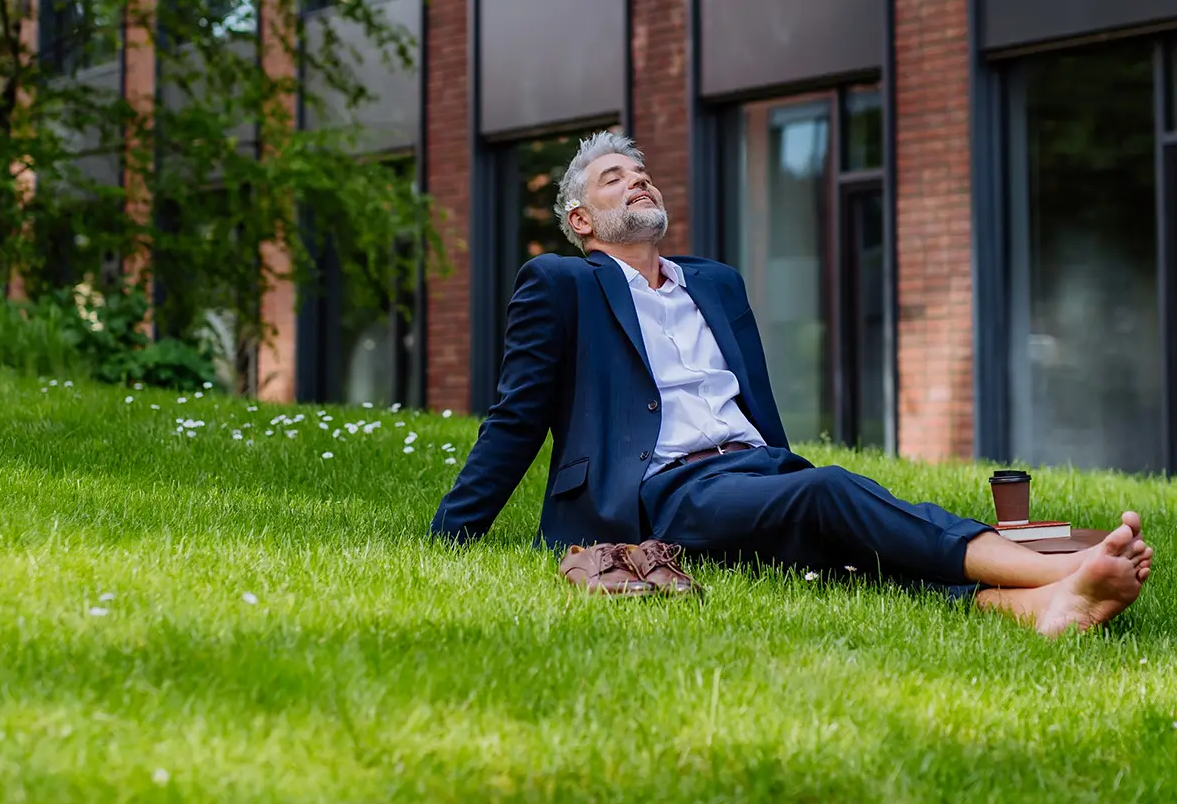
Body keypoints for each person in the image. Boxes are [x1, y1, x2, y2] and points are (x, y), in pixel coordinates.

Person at [431, 132, 1153, 635]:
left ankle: (1044, 607)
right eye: (613, 177)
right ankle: (1055, 570)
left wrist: (779, 473)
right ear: (581, 220)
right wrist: (448, 540)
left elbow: (756, 404)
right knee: (832, 493)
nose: (637, 179)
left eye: (641, 171)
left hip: (756, 469)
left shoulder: (714, 281)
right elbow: (515, 418)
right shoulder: (561, 283)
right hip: (664, 491)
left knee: (846, 544)